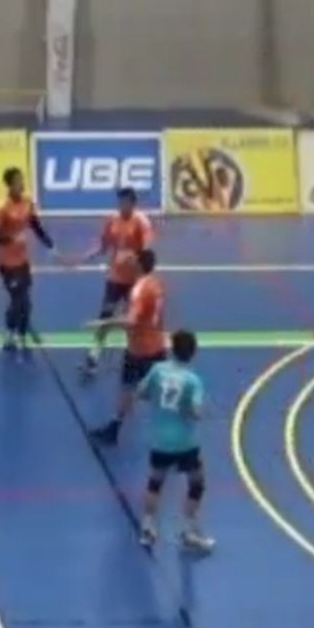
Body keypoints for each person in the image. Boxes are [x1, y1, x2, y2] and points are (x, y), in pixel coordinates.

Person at [137, 330, 215, 552]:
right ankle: (188, 530)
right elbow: (196, 412)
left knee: (155, 483)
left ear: (172, 349)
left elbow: (142, 393)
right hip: (185, 442)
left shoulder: (157, 370)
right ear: (192, 353)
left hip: (160, 440)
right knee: (197, 483)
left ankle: (148, 528)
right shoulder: (193, 380)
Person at [88, 248, 166, 446]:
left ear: (139, 264)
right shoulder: (156, 284)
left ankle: (114, 429)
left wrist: (105, 323)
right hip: (157, 345)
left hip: (140, 349)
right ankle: (171, 428)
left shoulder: (139, 289)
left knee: (127, 388)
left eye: (133, 260)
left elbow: (131, 321)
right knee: (156, 390)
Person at [77, 188, 154, 377]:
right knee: (105, 317)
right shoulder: (112, 220)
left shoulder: (141, 222)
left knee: (133, 322)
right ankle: (93, 358)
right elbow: (104, 246)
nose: (121, 206)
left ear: (133, 203)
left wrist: (136, 260)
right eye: (119, 202)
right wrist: (85, 256)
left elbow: (147, 251)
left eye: (125, 202)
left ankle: (137, 357)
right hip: (115, 279)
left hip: (134, 282)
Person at [0, 167, 54, 357]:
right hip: (6, 261)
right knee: (19, 299)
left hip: (22, 260)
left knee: (26, 301)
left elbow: (35, 224)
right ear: (9, 184)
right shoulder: (0, 207)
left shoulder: (27, 202)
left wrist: (49, 243)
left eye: (22, 180)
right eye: (18, 181)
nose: (22, 184)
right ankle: (9, 334)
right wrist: (11, 240)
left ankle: (22, 334)